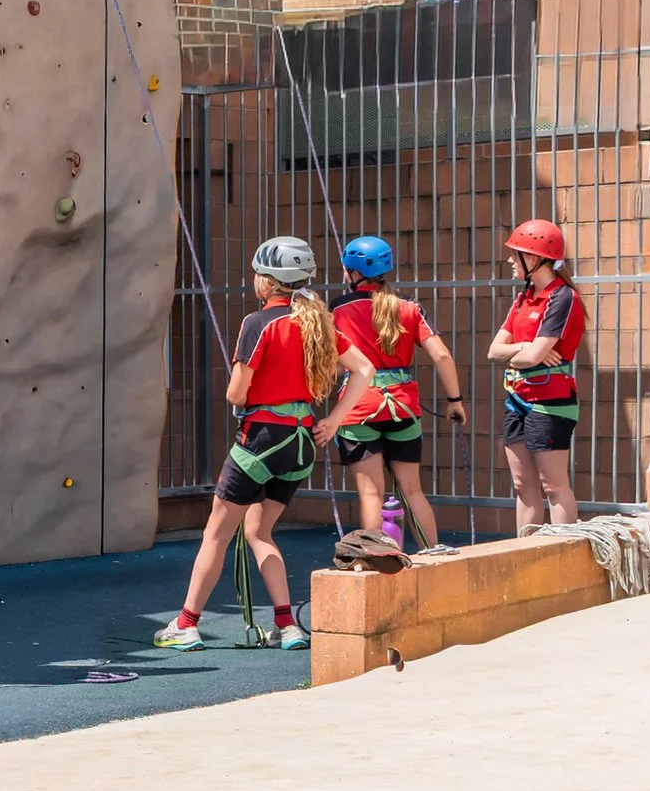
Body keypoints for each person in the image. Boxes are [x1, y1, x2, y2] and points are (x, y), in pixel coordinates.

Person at [155, 238, 373, 653]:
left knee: (216, 534)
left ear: (268, 282)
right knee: (259, 530)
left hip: (262, 438)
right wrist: (334, 420)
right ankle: (287, 625)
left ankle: (186, 624)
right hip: (303, 439)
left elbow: (237, 395)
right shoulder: (320, 324)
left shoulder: (259, 323)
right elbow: (364, 369)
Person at [331, 236, 464, 551]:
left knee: (371, 494)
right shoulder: (409, 306)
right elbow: (442, 355)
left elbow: (335, 364)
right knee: (412, 491)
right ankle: (433, 556)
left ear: (353, 272)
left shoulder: (339, 308)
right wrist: (454, 401)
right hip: (402, 408)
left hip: (359, 408)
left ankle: (377, 560)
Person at [488, 218, 585, 529]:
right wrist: (528, 346)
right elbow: (493, 351)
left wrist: (523, 352)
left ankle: (563, 552)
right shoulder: (524, 296)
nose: (509, 260)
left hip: (550, 401)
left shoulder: (562, 297)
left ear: (534, 257)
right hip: (517, 398)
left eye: (515, 254)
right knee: (522, 485)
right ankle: (524, 553)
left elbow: (529, 358)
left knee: (553, 486)